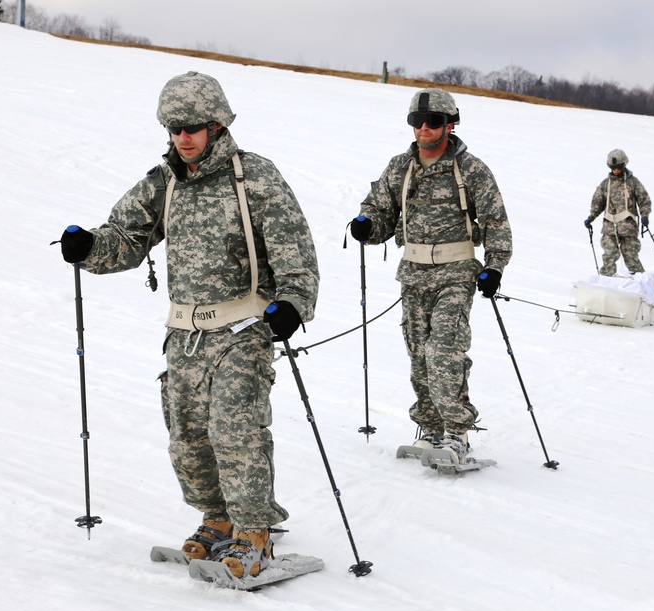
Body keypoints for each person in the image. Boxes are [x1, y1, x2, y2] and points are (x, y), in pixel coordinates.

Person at [57, 71, 319, 579]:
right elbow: (126, 237)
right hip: (184, 333)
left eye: (192, 127)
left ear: (216, 125)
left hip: (244, 327)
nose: (183, 137)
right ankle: (218, 520)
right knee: (188, 436)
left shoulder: (254, 176)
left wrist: (292, 304)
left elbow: (295, 251)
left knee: (235, 428)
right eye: (174, 127)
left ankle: (254, 533)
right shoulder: (165, 181)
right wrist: (89, 247)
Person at [348, 88, 512, 461]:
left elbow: (496, 221)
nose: (424, 128)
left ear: (450, 125)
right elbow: (379, 211)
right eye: (417, 121)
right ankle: (431, 428)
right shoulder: (400, 168)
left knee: (444, 350)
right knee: (419, 352)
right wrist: (366, 225)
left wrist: (494, 267)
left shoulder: (470, 170)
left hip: (456, 273)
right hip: (413, 274)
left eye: (433, 121)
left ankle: (456, 432)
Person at [584, 149, 652, 276]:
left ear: (624, 165)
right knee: (609, 255)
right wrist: (591, 218)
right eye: (613, 168)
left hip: (628, 228)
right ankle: (606, 280)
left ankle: (640, 282)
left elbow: (644, 200)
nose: (616, 171)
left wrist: (644, 215)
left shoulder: (633, 182)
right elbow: (597, 203)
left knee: (631, 256)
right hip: (610, 227)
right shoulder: (605, 184)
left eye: (618, 168)